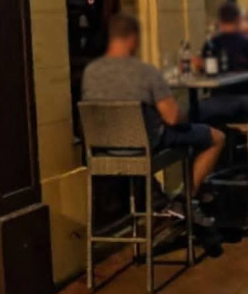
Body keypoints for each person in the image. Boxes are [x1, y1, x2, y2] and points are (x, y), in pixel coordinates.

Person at [82, 14, 224, 227]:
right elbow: (172, 117)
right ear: (132, 39)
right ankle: (184, 201)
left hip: (102, 151)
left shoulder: (90, 72)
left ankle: (163, 202)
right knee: (216, 138)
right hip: (145, 147)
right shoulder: (145, 72)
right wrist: (184, 116)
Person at [198, 3, 248, 178]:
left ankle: (201, 168)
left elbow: (200, 66)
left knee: (193, 113)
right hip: (247, 99)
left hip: (218, 102)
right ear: (238, 19)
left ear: (220, 21)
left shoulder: (211, 43)